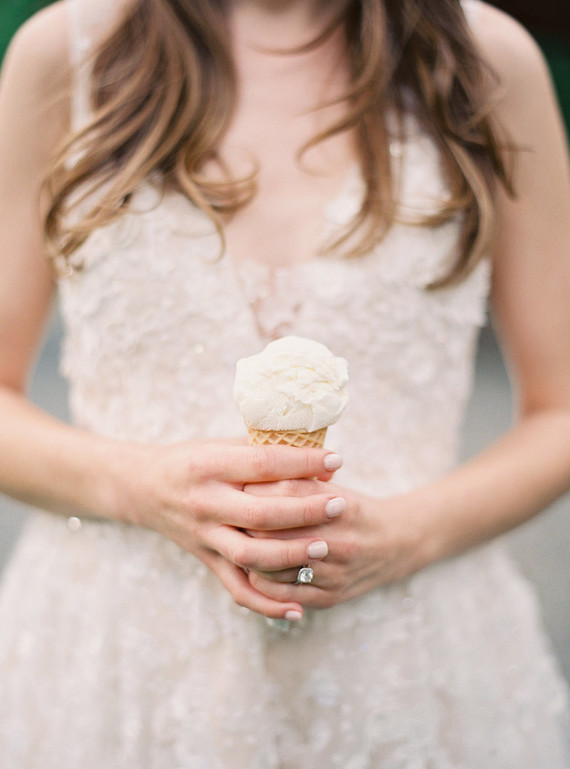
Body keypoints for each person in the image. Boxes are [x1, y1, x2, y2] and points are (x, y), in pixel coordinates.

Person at [0, 0, 569, 765]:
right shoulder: (65, 54)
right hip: (115, 666)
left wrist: (408, 535)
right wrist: (140, 487)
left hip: (413, 665)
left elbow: (560, 407)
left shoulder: (489, 62)